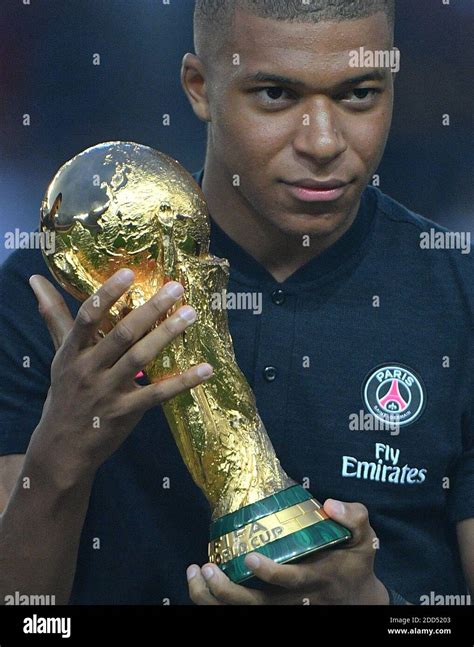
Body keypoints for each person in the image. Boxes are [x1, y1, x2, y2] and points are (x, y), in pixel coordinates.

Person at [0, 0, 472, 606]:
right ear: (200, 88)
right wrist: (61, 451)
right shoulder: (62, 299)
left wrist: (374, 609)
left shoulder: (460, 298)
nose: (323, 142)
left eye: (358, 94)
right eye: (276, 95)